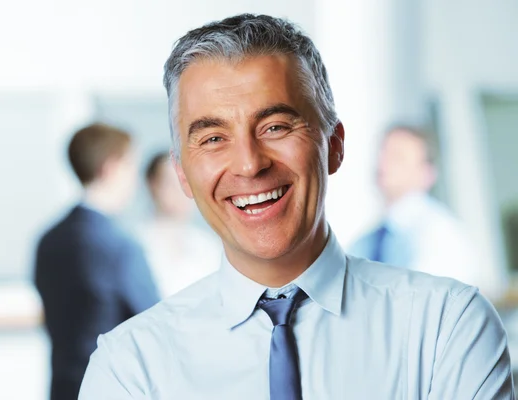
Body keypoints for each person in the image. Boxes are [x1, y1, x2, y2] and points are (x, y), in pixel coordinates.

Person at [79, 14, 513, 399]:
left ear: (335, 147)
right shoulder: (130, 367)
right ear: (182, 174)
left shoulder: (446, 327)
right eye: (213, 138)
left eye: (276, 126)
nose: (249, 164)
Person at [34, 123, 160, 400]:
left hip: (63, 387)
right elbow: (154, 324)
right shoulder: (119, 246)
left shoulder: (48, 240)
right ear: (111, 168)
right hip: (112, 387)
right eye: (130, 167)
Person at [348, 125, 483, 291]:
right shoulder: (367, 241)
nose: (383, 163)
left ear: (427, 174)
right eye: (382, 152)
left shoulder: (441, 237)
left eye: (397, 157)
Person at [134, 151, 221, 298]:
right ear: (152, 185)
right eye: (170, 184)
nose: (180, 192)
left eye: (187, 183)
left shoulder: (208, 246)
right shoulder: (136, 243)